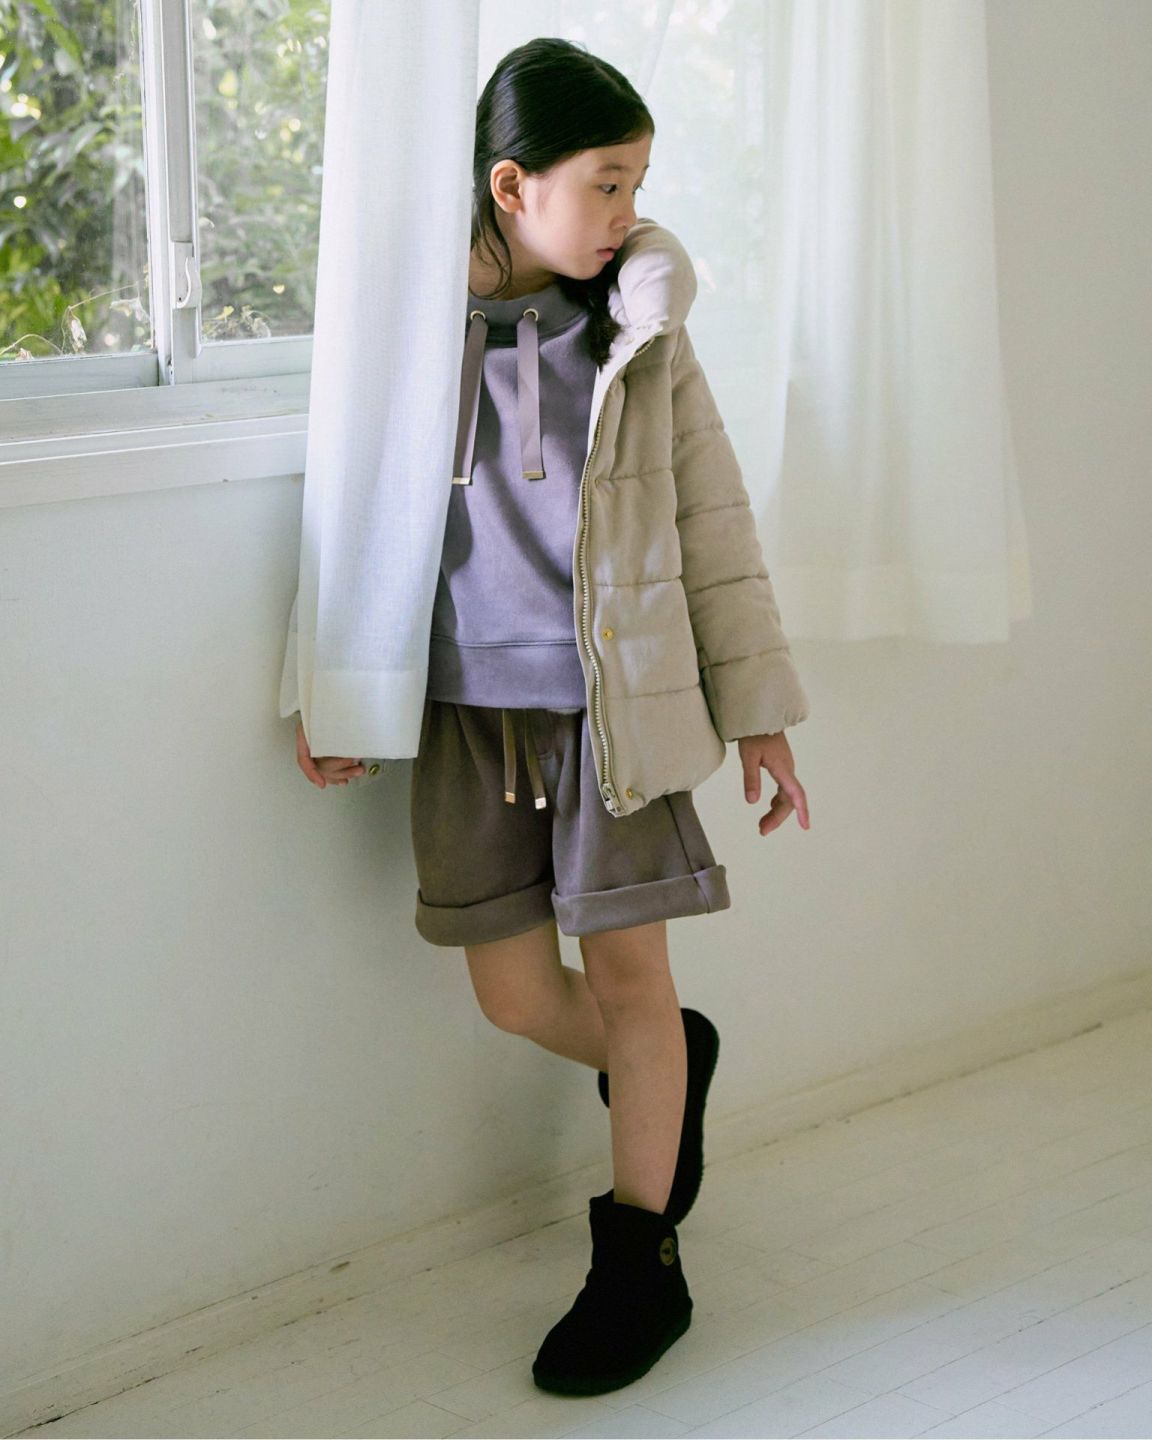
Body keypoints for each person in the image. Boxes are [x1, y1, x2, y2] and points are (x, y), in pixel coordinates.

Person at [291, 36, 811, 1398]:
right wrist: (333, 687)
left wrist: (759, 713)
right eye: (606, 182)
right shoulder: (411, 327)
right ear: (512, 186)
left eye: (639, 182)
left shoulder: (638, 335)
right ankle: (673, 1067)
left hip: (612, 717)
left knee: (634, 985)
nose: (629, 211)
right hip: (468, 716)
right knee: (515, 995)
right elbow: (351, 514)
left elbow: (715, 528)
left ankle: (642, 1263)